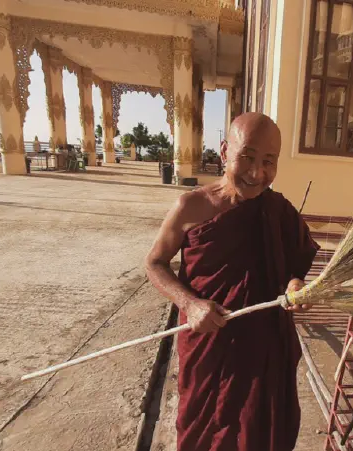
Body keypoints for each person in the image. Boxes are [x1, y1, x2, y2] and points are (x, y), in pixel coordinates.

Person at [145, 113, 319, 451]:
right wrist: (190, 303)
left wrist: (296, 286)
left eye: (269, 161)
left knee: (259, 430)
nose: (257, 173)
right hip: (209, 345)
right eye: (247, 157)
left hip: (264, 348)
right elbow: (154, 263)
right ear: (225, 151)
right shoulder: (192, 206)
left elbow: (292, 269)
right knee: (202, 431)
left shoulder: (279, 210)